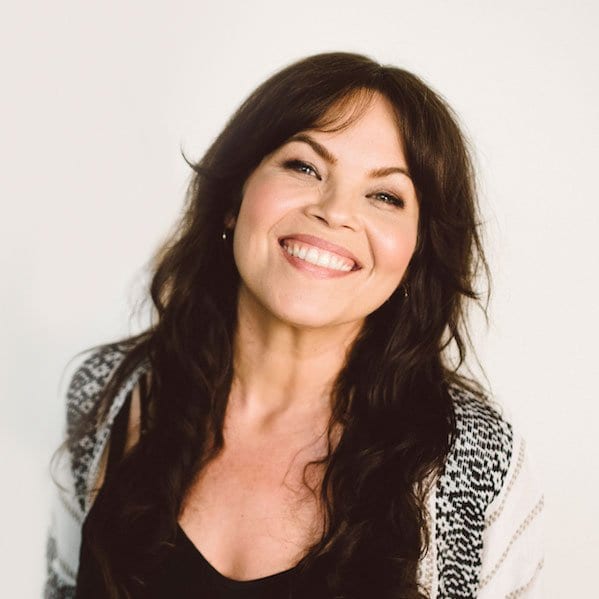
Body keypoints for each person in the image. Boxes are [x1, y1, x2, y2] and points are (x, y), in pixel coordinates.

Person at [44, 52, 544, 598]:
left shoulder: (475, 454)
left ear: (416, 252)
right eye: (304, 167)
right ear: (234, 198)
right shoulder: (108, 391)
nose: (335, 211)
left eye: (385, 196)